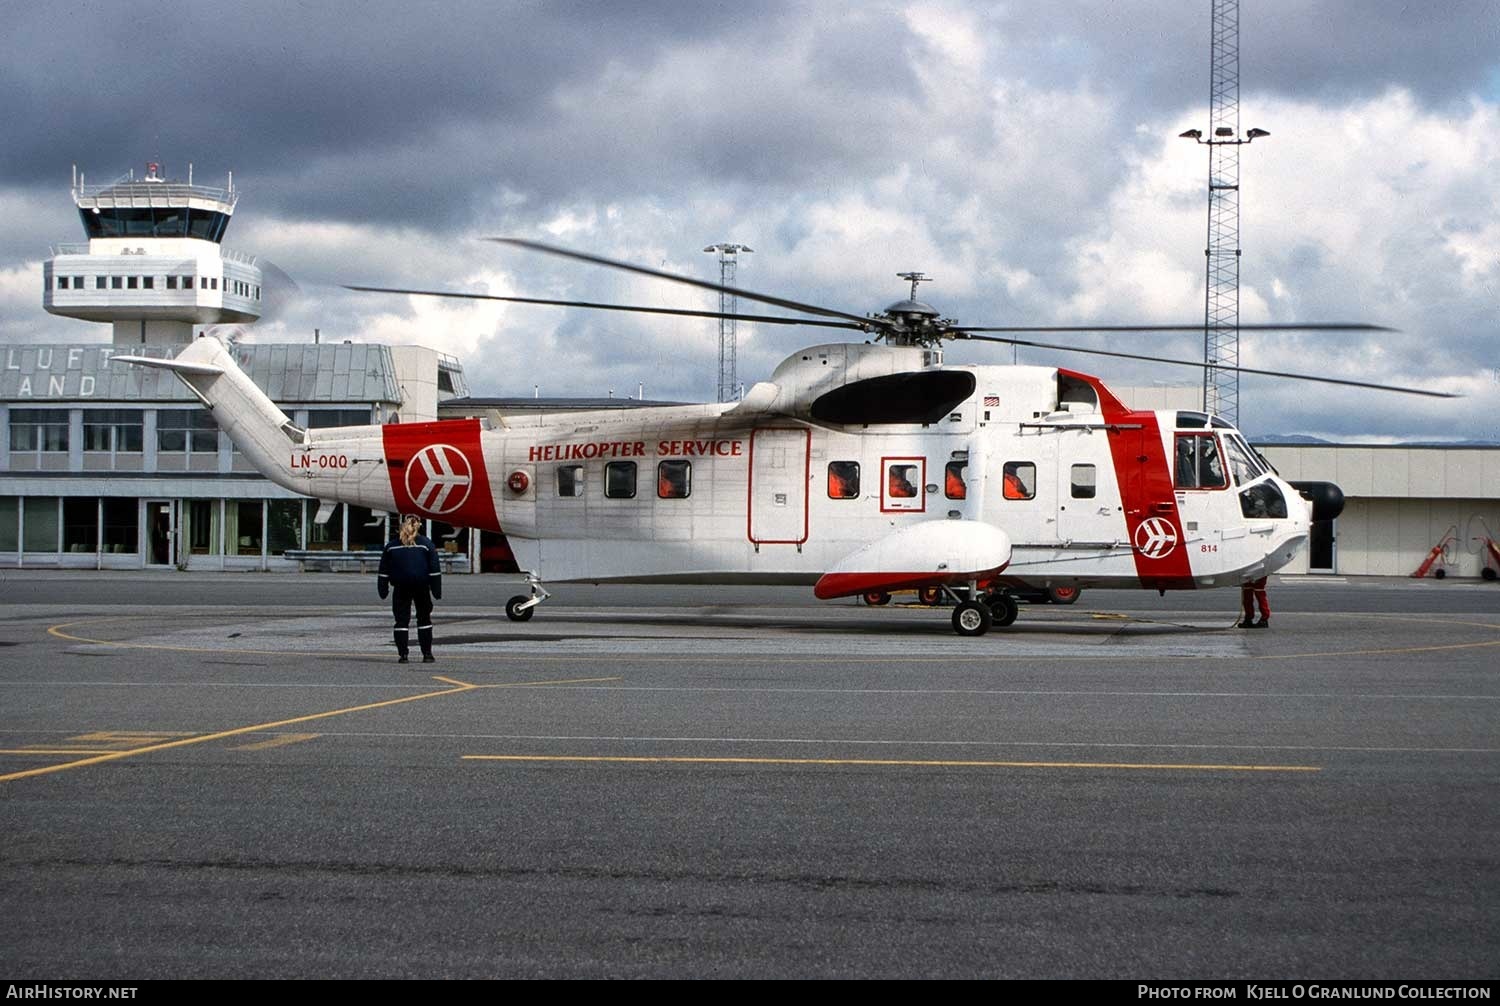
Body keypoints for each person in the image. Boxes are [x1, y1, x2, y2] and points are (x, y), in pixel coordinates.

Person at [377, 514, 442, 663]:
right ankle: (427, 654)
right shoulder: (426, 544)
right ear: (419, 526)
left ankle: (403, 655)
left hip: (400, 587)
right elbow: (434, 570)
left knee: (401, 620)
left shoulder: (392, 546)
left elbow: (383, 571)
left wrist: (383, 589)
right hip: (421, 586)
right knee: (424, 618)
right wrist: (436, 590)